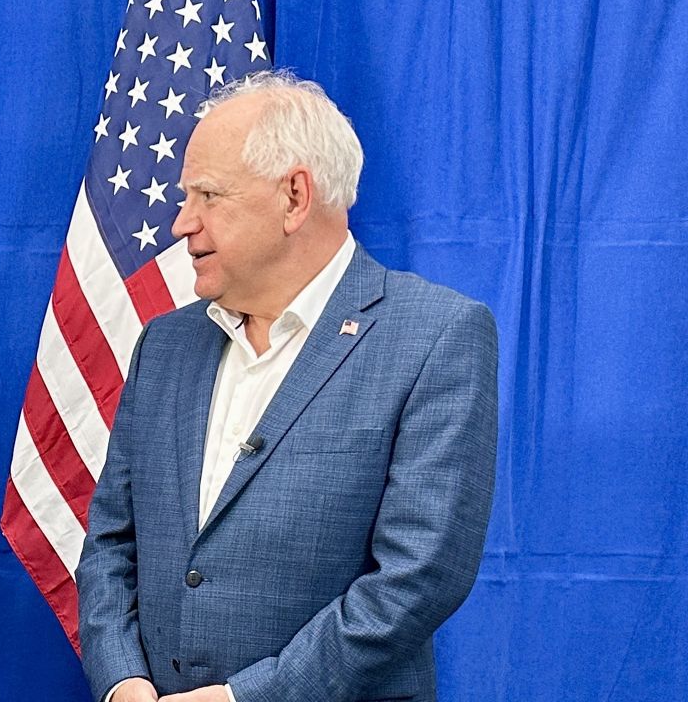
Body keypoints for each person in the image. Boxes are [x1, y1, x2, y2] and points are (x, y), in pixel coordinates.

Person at [76, 70, 498, 702]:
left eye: (208, 196)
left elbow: (417, 579)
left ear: (295, 197)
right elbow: (110, 541)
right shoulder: (164, 346)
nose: (180, 224)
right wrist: (122, 682)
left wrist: (244, 699)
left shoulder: (436, 338)